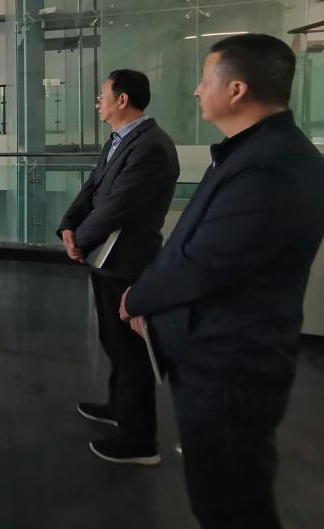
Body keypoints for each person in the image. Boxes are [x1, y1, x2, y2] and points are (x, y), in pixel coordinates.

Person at [120, 35, 324, 528]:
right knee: (218, 495)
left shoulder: (277, 166)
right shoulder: (249, 152)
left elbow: (203, 262)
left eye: (204, 79)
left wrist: (138, 298)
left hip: (231, 365)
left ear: (236, 89)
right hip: (213, 354)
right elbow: (188, 244)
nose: (196, 90)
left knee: (232, 506)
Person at [56, 70, 179, 466]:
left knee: (130, 349)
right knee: (113, 340)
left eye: (102, 95)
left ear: (122, 100)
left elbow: (118, 205)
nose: (98, 102)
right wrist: (68, 226)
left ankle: (141, 439)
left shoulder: (152, 146)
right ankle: (118, 406)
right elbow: (92, 190)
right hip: (105, 257)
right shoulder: (118, 140)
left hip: (127, 260)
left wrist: (80, 241)